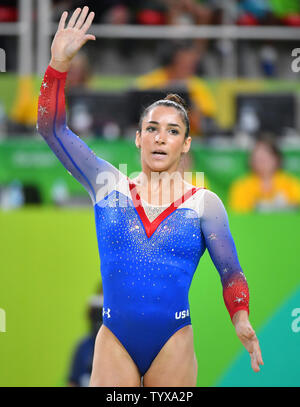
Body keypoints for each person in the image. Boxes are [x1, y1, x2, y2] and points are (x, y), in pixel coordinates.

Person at [37, 7, 263, 386]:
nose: (161, 137)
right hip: (114, 340)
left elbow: (231, 273)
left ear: (186, 143)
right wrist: (58, 64)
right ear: (138, 137)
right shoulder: (107, 184)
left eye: (173, 131)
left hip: (173, 341)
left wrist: (241, 318)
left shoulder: (205, 204)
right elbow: (51, 128)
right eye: (152, 128)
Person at [135, 40, 217, 137]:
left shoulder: (198, 86)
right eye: (183, 63)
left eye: (192, 64)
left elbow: (205, 121)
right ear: (172, 61)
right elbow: (135, 106)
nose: (188, 67)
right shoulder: (152, 81)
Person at [229, 136, 300, 213]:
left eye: (265, 159)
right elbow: (239, 213)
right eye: (257, 159)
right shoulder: (241, 185)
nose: (262, 164)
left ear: (277, 159)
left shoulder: (290, 183)